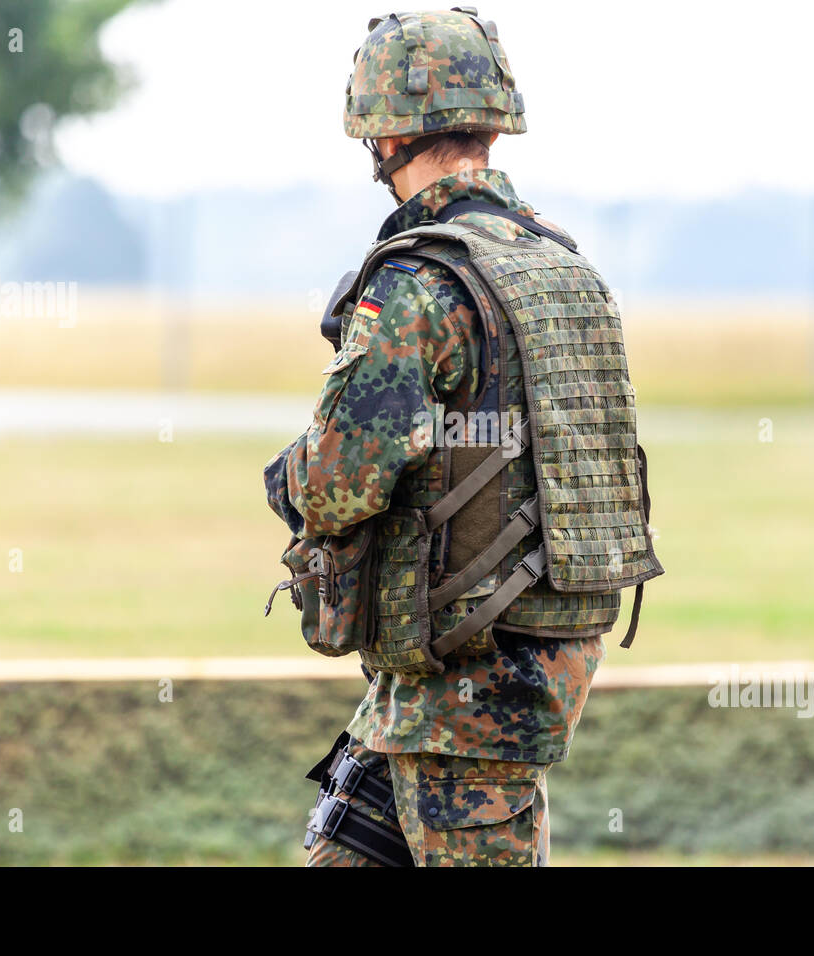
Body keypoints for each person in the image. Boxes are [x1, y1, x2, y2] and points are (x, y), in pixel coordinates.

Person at [264, 6, 661, 867]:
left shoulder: (422, 281)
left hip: (463, 695)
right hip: (498, 671)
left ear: (384, 134)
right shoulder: (561, 267)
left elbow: (338, 484)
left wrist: (286, 479)